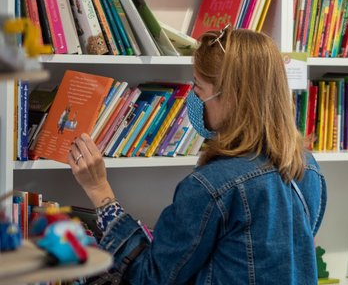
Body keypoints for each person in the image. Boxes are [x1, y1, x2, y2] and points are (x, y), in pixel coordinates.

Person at [68, 27, 327, 284]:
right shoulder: (307, 168)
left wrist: (100, 193)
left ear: (232, 98)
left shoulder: (212, 186)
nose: (193, 96)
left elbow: (150, 278)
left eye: (199, 87)